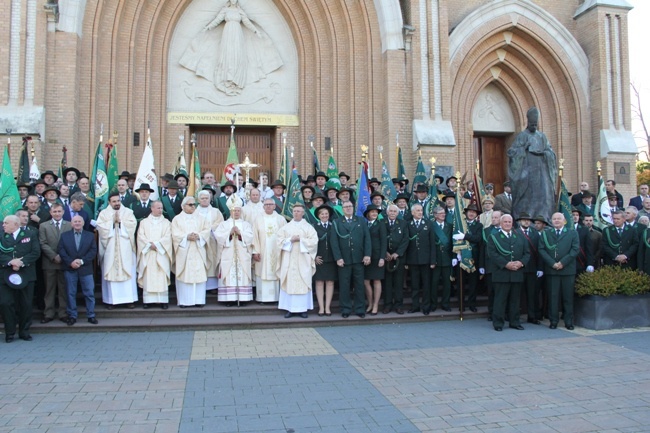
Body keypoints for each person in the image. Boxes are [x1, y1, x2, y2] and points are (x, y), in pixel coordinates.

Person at [179, 0, 283, 96]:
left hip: (237, 35)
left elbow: (247, 22)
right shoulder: (225, 10)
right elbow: (217, 20)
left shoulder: (240, 11)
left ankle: (236, 82)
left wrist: (255, 30)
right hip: (227, 34)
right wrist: (208, 27)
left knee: (237, 56)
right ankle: (226, 81)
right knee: (227, 55)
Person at [507, 107, 558, 221]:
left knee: (544, 196)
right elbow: (512, 152)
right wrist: (524, 149)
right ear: (528, 122)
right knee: (527, 197)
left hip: (542, 172)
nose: (534, 126)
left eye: (536, 124)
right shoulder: (522, 136)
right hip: (527, 172)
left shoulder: (542, 136)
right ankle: (525, 218)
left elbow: (551, 152)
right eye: (532, 124)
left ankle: (543, 219)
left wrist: (545, 153)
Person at [0, 215, 41, 342]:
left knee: (26, 304)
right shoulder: (1, 235)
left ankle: (24, 331)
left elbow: (35, 252)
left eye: (6, 223)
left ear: (16, 224)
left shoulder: (30, 234)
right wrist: (11, 262)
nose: (3, 225)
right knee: (6, 303)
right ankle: (10, 332)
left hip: (26, 274)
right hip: (6, 274)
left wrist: (21, 262)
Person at [486, 214, 530, 332]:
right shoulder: (494, 237)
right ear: (500, 223)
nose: (507, 224)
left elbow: (527, 253)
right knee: (500, 300)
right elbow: (492, 254)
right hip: (501, 274)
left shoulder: (520, 236)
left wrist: (521, 263)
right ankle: (498, 323)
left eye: (509, 222)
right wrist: (506, 264)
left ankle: (514, 322)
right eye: (505, 222)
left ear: (512, 223)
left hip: (517, 273)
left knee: (515, 300)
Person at [96, 192, 138, 309]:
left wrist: (121, 223)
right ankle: (111, 301)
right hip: (110, 248)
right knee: (111, 271)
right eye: (114, 201)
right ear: (109, 202)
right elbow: (100, 228)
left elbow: (132, 225)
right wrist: (111, 223)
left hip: (125, 248)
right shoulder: (104, 214)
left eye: (118, 201)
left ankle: (129, 300)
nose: (117, 203)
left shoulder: (128, 212)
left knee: (128, 270)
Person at [538, 213, 580, 330]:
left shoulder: (572, 233)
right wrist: (552, 263)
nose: (556, 221)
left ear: (564, 221)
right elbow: (541, 249)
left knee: (567, 297)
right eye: (554, 219)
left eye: (559, 219)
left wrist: (562, 263)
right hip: (552, 270)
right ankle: (553, 321)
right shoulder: (546, 233)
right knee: (553, 297)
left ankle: (568, 321)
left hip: (567, 270)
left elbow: (575, 249)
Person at [276, 204, 318, 318]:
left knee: (303, 282)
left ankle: (303, 309)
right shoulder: (286, 227)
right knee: (289, 282)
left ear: (303, 213)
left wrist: (301, 240)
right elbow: (278, 241)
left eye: (299, 211)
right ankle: (289, 308)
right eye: (294, 211)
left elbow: (314, 241)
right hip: (289, 259)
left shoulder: (308, 227)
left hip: (303, 260)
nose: (296, 213)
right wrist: (290, 239)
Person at [330, 201, 371, 318]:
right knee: (344, 285)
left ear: (353, 208)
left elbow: (367, 238)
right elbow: (334, 242)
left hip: (359, 259)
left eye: (350, 206)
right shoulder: (337, 222)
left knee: (359, 285)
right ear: (342, 209)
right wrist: (338, 258)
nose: (348, 208)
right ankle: (345, 309)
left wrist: (367, 254)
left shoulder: (361, 221)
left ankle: (360, 309)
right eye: (345, 207)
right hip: (344, 260)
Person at [171, 197, 212, 308]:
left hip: (198, 249)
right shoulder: (177, 219)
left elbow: (207, 230)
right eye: (190, 204)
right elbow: (175, 234)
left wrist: (199, 236)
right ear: (183, 206)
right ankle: (185, 301)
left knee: (198, 274)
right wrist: (186, 237)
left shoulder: (201, 218)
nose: (193, 206)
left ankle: (199, 300)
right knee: (185, 274)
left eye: (194, 204)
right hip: (184, 251)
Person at [58, 215, 98, 325]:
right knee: (70, 293)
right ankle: (72, 315)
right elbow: (61, 250)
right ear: (71, 223)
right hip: (70, 268)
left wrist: (81, 261)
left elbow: (93, 251)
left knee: (89, 293)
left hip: (85, 268)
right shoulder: (64, 236)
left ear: (83, 223)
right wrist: (71, 262)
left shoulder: (90, 236)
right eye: (75, 221)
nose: (77, 223)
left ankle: (91, 315)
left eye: (79, 221)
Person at [214, 196, 254, 305]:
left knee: (242, 274)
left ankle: (243, 298)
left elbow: (251, 237)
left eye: (238, 211)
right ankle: (229, 298)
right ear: (230, 211)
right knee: (229, 274)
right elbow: (218, 237)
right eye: (234, 211)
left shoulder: (246, 224)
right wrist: (229, 234)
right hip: (228, 254)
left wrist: (241, 234)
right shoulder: (224, 224)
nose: (236, 213)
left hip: (242, 254)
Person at [38, 203, 71, 323]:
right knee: (49, 289)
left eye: (59, 211)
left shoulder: (69, 225)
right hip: (49, 262)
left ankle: (63, 313)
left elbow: (70, 243)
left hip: (64, 262)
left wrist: (63, 257)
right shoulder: (43, 226)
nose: (57, 214)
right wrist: (53, 256)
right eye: (54, 212)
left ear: (63, 212)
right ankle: (49, 313)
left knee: (63, 289)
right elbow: (43, 243)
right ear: (51, 213)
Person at [137, 201, 173, 309]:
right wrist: (149, 245)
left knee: (161, 275)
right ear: (152, 208)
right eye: (158, 208)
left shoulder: (166, 222)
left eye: (161, 208)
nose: (160, 210)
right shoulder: (144, 222)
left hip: (161, 253)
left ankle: (163, 301)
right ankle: (148, 301)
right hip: (148, 253)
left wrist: (157, 245)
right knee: (149, 276)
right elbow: (140, 236)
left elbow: (168, 237)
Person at [252, 199, 287, 303]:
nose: (268, 206)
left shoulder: (281, 219)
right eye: (266, 204)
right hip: (262, 252)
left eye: (270, 204)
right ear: (263, 206)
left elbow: (285, 235)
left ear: (274, 206)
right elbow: (254, 236)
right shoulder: (258, 219)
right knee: (262, 272)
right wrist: (255, 251)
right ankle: (262, 298)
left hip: (276, 252)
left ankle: (276, 297)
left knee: (276, 271)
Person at [404, 204, 436, 314]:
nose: (420, 212)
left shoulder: (428, 224)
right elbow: (406, 244)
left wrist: (432, 260)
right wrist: (407, 261)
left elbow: (432, 243)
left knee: (426, 285)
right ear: (412, 212)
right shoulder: (408, 224)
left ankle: (426, 306)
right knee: (414, 285)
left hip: (426, 260)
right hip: (413, 260)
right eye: (417, 210)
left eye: (421, 210)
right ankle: (415, 305)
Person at [453, 204, 483, 313]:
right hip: (461, 256)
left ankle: (472, 303)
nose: (471, 213)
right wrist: (455, 255)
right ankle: (461, 303)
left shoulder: (479, 225)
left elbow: (477, 238)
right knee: (460, 282)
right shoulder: (460, 224)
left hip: (473, 258)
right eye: (469, 211)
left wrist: (465, 236)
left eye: (474, 212)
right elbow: (454, 240)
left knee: (473, 283)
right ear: (466, 213)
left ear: (476, 215)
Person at [515, 212, 543, 324]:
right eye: (524, 220)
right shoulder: (515, 232)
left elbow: (540, 250)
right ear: (519, 221)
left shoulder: (535, 233)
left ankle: (532, 316)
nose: (526, 222)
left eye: (528, 220)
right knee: (517, 294)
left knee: (532, 294)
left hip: (532, 268)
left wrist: (540, 268)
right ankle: (515, 316)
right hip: (519, 267)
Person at [383, 204, 409, 314]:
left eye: (395, 211)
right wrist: (385, 252)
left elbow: (405, 239)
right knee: (387, 283)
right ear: (387, 212)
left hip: (398, 258)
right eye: (391, 211)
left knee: (398, 283)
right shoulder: (382, 223)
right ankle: (387, 305)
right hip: (386, 257)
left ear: (398, 213)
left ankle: (398, 305)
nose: (393, 213)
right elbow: (379, 238)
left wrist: (397, 253)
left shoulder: (403, 223)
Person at [196, 190, 224, 292]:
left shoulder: (216, 211)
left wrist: (209, 229)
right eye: (202, 198)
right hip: (199, 242)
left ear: (210, 199)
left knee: (212, 261)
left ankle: (212, 286)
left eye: (206, 198)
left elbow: (220, 224)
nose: (204, 200)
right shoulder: (194, 211)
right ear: (198, 199)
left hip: (212, 240)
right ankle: (201, 285)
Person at [312, 205, 337, 316]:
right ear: (318, 216)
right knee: (319, 282)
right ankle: (321, 307)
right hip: (319, 259)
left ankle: (328, 307)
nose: (324, 216)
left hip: (331, 259)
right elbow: (311, 244)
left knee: (330, 282)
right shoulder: (314, 227)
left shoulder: (334, 226)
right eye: (322, 214)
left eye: (326, 214)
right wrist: (314, 256)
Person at [363, 205, 387, 315]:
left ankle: (376, 305)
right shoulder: (363, 224)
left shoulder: (381, 224)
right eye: (372, 212)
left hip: (377, 256)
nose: (374, 214)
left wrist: (382, 257)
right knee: (366, 281)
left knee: (377, 280)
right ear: (368, 214)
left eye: (376, 212)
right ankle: (370, 303)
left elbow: (384, 242)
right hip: (366, 256)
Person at [430, 206, 455, 312]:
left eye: (444, 213)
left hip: (447, 258)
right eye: (440, 213)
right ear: (435, 215)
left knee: (447, 283)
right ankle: (433, 304)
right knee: (434, 283)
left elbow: (453, 243)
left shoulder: (450, 226)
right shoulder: (431, 226)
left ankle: (445, 303)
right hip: (435, 259)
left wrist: (454, 257)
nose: (443, 215)